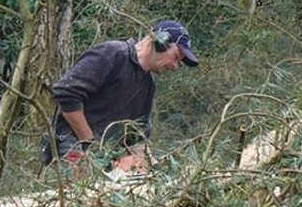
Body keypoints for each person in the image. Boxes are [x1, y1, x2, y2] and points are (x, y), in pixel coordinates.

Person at [40, 19, 198, 175]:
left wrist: (157, 170)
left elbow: (136, 136)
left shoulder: (147, 85)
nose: (175, 66)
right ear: (159, 41)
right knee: (77, 195)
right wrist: (90, 143)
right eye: (176, 57)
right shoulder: (112, 54)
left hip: (106, 156)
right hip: (73, 145)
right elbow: (66, 93)